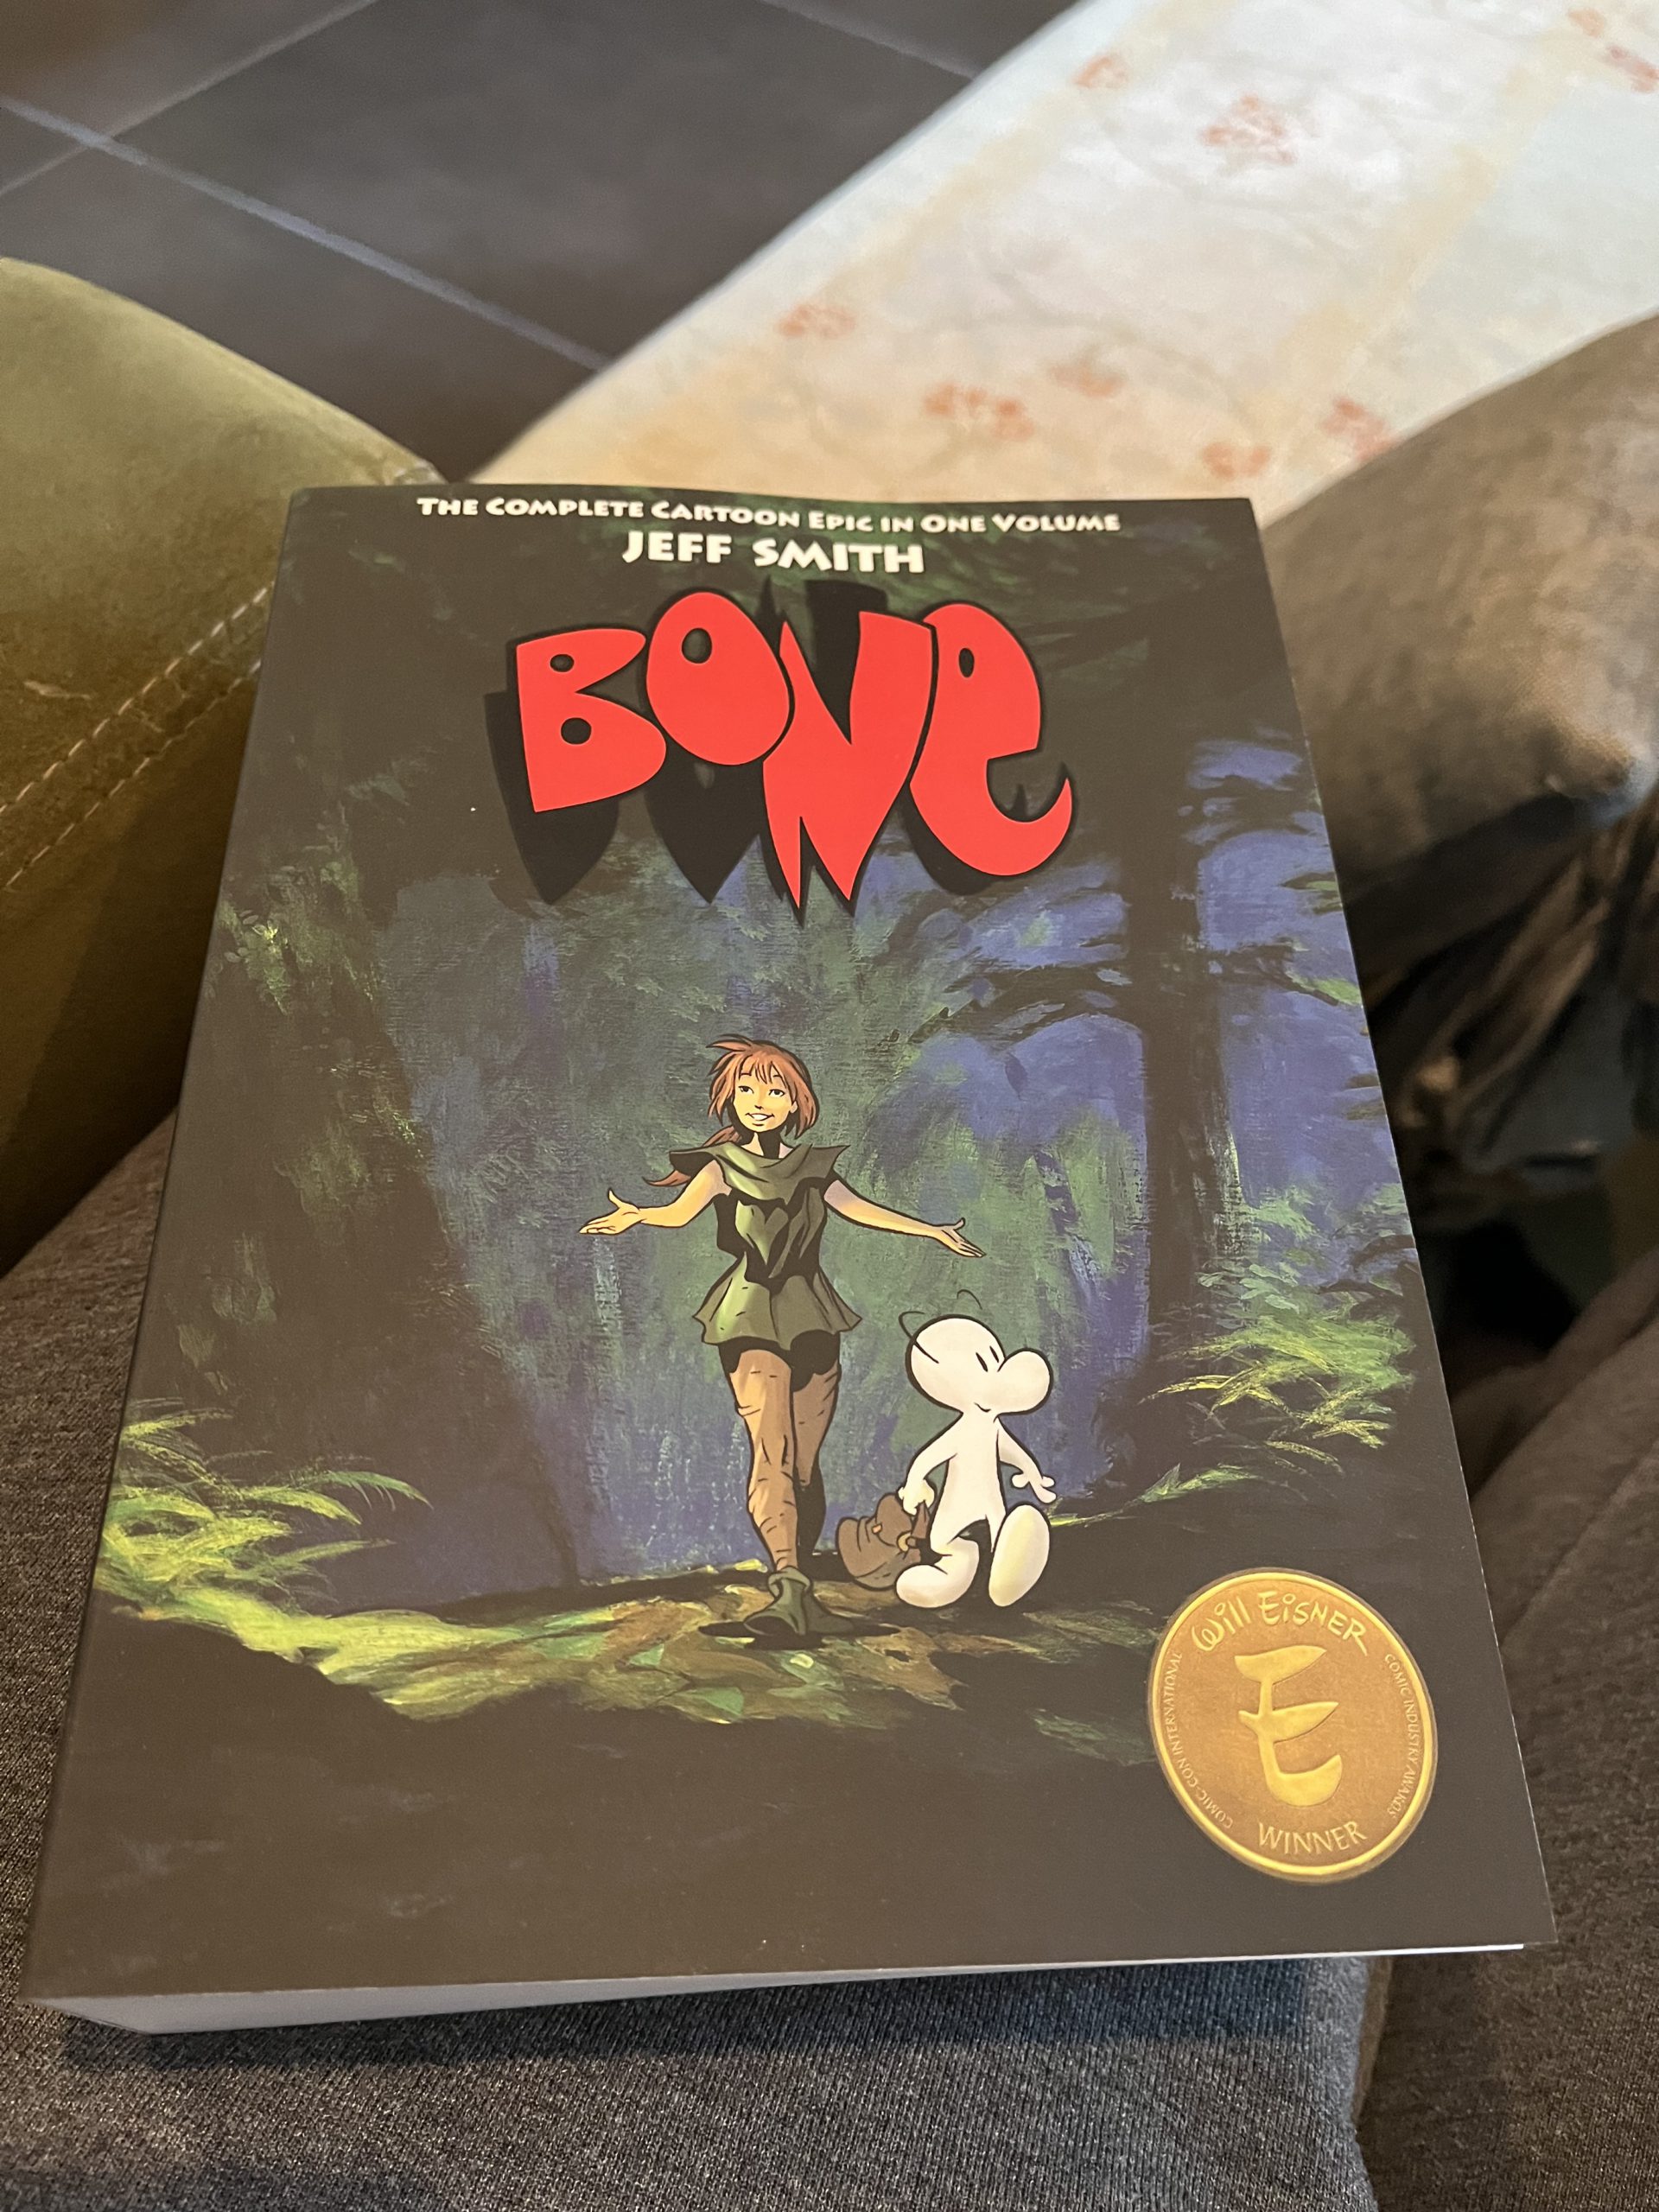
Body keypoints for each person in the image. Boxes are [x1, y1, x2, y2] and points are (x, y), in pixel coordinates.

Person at [579, 1035, 981, 1641]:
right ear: (730, 1099)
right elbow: (678, 1213)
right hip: (748, 1317)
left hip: (814, 1317)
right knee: (773, 1454)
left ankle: (802, 1591)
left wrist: (930, 1230)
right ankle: (787, 1585)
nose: (758, 1100)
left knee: (804, 1466)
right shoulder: (721, 1168)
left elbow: (861, 1209)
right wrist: (638, 1214)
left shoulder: (812, 1167)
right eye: (745, 1089)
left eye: (773, 1090)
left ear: (795, 1102)